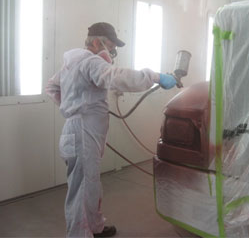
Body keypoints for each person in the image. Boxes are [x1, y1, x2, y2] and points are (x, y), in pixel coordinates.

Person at [46, 22, 177, 237]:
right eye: (110, 45)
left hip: (80, 132)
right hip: (83, 134)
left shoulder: (71, 64)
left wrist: (72, 106)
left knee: (90, 186)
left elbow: (52, 87)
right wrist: (154, 76)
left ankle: (95, 227)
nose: (112, 51)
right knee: (81, 192)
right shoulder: (89, 61)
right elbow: (116, 76)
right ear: (96, 42)